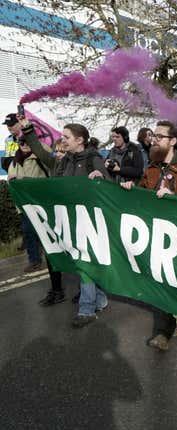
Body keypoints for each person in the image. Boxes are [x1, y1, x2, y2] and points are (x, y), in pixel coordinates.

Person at [121, 120, 177, 351]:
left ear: (173, 141)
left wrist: (174, 194)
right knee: (161, 280)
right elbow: (144, 196)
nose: (154, 140)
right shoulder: (152, 168)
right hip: (157, 235)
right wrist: (131, 189)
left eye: (159, 136)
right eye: (153, 136)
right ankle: (163, 331)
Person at [19, 115, 111, 325]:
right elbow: (54, 184)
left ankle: (87, 310)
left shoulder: (93, 159)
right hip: (69, 221)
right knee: (80, 263)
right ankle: (99, 298)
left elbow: (107, 186)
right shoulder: (65, 161)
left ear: (80, 140)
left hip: (89, 221)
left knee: (84, 263)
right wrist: (26, 183)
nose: (63, 140)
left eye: (67, 136)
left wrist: (101, 177)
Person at [7, 138, 50, 273]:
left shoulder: (40, 157)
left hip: (41, 203)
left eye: (27, 142)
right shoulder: (15, 161)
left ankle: (53, 258)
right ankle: (34, 261)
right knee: (29, 233)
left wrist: (27, 182)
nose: (25, 145)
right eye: (22, 143)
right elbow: (10, 179)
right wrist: (13, 181)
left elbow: (48, 176)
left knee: (46, 232)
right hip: (24, 204)